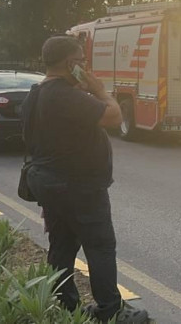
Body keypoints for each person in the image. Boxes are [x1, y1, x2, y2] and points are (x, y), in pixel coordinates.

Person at [21, 36, 149, 323]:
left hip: (51, 184)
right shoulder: (66, 95)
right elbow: (115, 116)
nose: (85, 65)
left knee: (62, 247)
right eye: (81, 60)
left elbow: (32, 139)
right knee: (100, 246)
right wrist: (100, 91)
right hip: (80, 188)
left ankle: (67, 309)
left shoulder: (35, 94)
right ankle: (110, 311)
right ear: (71, 63)